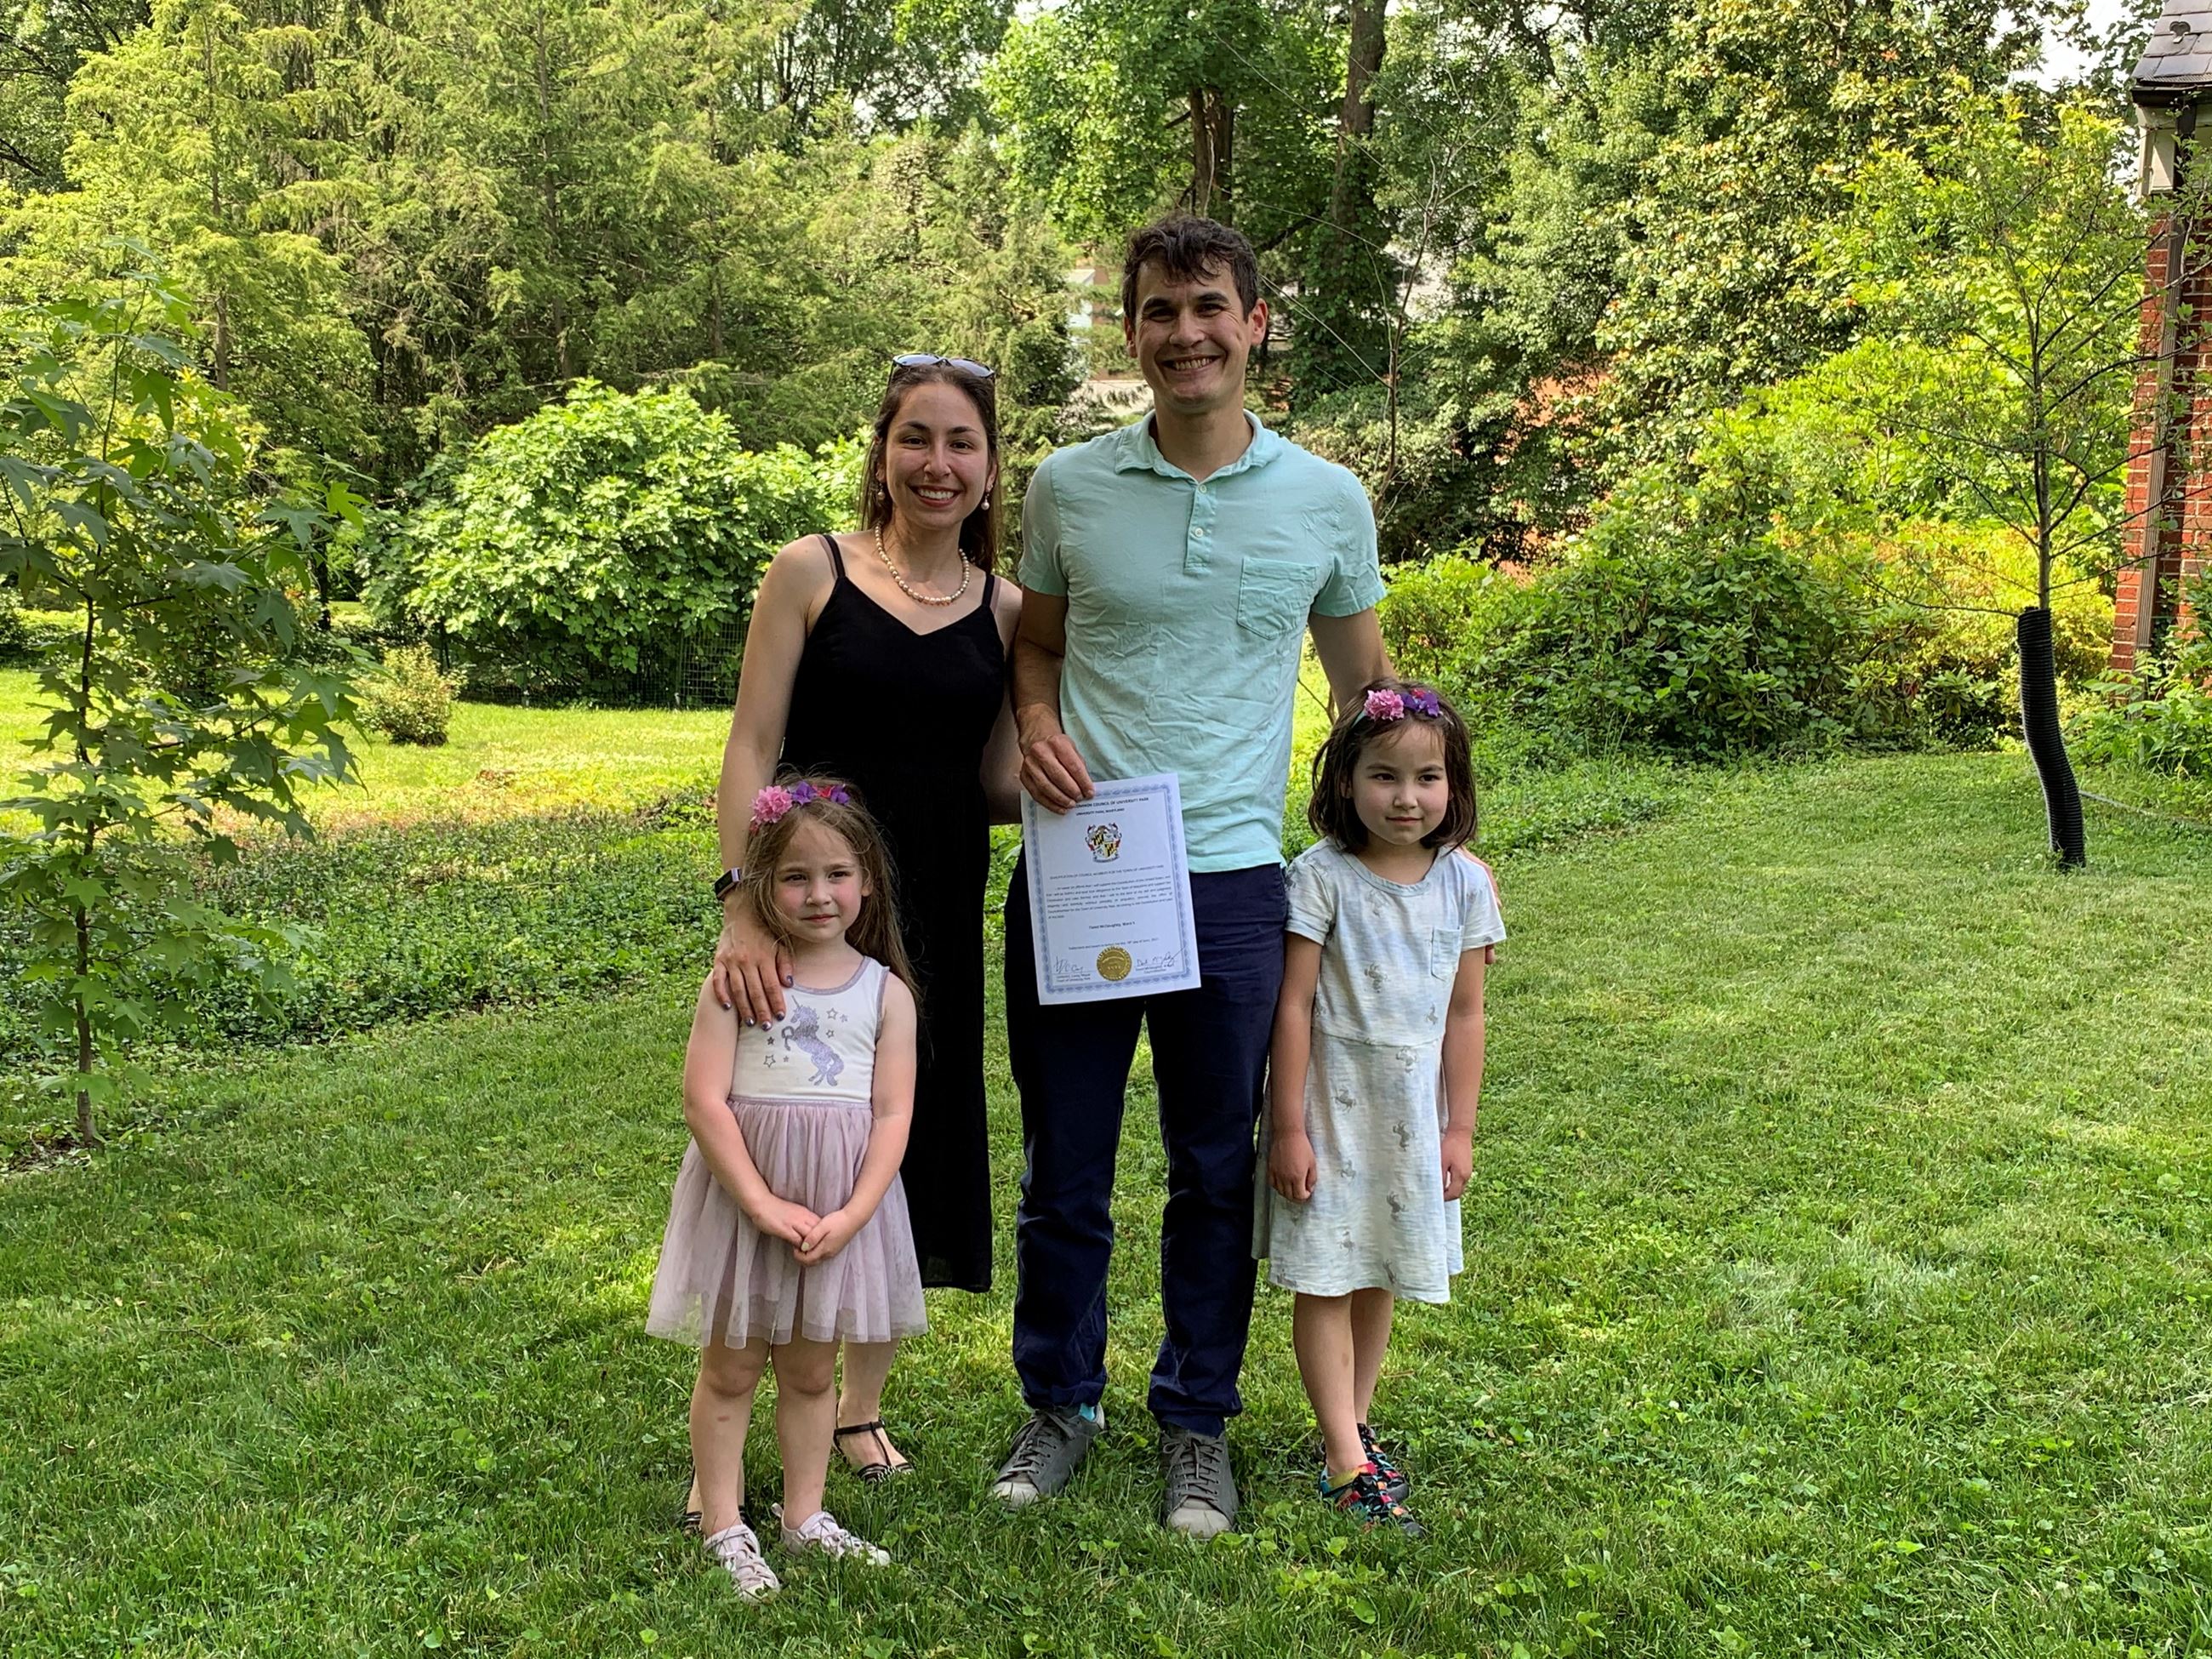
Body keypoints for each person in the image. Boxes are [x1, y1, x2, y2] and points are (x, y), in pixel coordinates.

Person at [995, 214, 1392, 1537]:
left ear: (1256, 323)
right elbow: (1035, 649)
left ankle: (1196, 1421)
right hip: (1087, 866)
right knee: (1068, 1164)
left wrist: (1403, 860)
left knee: (1218, 1167)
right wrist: (1038, 726)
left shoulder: (1326, 498)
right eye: (1160, 311)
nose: (1187, 333)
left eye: (1210, 306)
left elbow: (1366, 695)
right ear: (1132, 332)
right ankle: (1059, 1401)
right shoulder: (1067, 487)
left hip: (1236, 885)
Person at [709, 355, 1020, 1488]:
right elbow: (751, 744)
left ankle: (858, 1403)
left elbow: (995, 781)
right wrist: (741, 905)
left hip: (931, 908)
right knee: (793, 1125)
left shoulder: (1009, 611)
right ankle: (750, 1374)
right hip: (802, 907)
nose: (939, 464)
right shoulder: (810, 572)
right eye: (918, 439)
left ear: (992, 472)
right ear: (882, 454)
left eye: (963, 444)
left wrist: (1091, 789)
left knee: (907, 1139)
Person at [647, 778, 926, 1599]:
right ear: (762, 885)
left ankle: (805, 1518)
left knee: (811, 1373)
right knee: (731, 1369)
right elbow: (702, 1099)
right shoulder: (736, 979)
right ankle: (726, 1524)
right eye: (796, 877)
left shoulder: (887, 994)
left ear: (867, 882)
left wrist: (852, 1215)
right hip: (748, 1202)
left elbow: (891, 1114)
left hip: (836, 1210)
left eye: (837, 874)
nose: (818, 894)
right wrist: (761, 1203)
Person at [1254, 680, 1504, 1535]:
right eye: (1383, 776)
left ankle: (1354, 1428)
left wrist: (1459, 1127)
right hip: (1329, 1110)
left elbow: (1466, 1012)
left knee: (1383, 1266)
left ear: (1453, 787)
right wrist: (1285, 1126)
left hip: (1411, 1113)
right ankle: (1340, 1461)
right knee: (1327, 1272)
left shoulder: (1465, 884)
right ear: (1344, 781)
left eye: (1426, 779)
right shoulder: (1319, 878)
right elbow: (1290, 1005)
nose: (1405, 798)